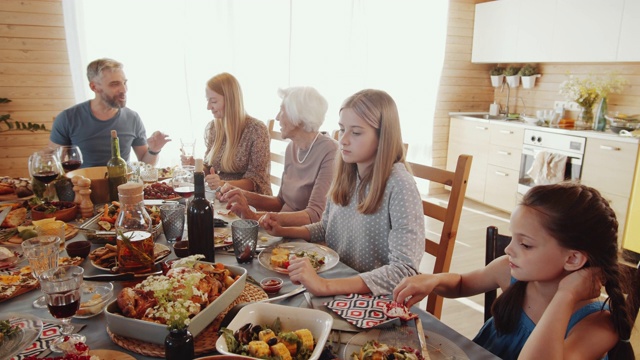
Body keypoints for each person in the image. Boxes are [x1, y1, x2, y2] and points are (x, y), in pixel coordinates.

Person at [393, 182, 636, 360]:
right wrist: (433, 281)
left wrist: (566, 295)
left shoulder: (600, 323)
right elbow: (461, 284)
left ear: (572, 258)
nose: (509, 249)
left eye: (525, 244)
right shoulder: (509, 272)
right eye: (513, 238)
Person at [261, 89, 424, 297]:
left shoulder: (400, 185)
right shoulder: (347, 171)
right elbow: (326, 227)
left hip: (375, 300)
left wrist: (325, 286)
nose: (343, 140)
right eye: (341, 129)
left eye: (355, 132)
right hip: (338, 284)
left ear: (383, 136)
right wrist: (283, 229)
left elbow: (404, 271)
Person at [219, 86, 338, 227]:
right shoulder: (292, 147)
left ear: (298, 117)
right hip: (279, 229)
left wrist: (254, 216)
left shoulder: (330, 151)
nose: (277, 117)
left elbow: (314, 216)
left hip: (301, 239)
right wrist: (241, 194)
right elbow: (280, 202)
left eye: (282, 110)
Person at [50, 58, 170, 167]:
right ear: (94, 87)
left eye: (124, 83)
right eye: (114, 84)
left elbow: (145, 165)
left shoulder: (132, 118)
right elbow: (53, 163)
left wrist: (154, 150)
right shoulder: (68, 118)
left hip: (123, 189)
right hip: (83, 188)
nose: (124, 89)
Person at [200, 72, 271, 195]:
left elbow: (256, 182)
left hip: (250, 200)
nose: (208, 107)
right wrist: (196, 167)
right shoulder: (214, 127)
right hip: (222, 195)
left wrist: (222, 184)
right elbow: (209, 167)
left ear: (230, 100)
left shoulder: (256, 130)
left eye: (213, 101)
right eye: (208, 101)